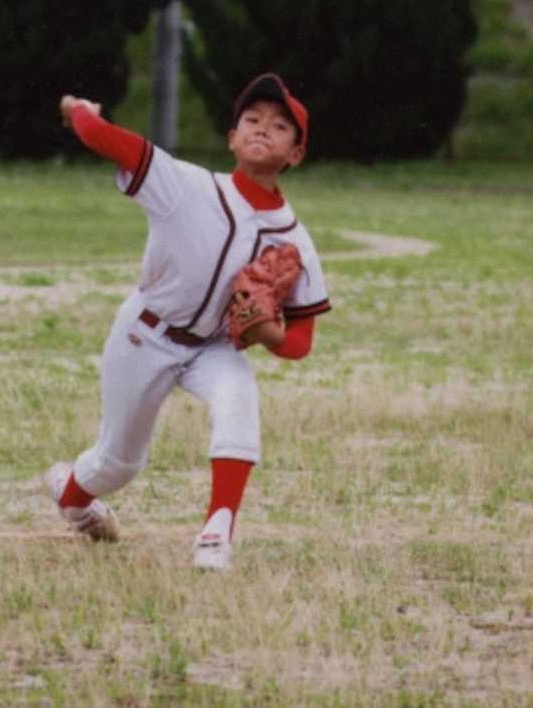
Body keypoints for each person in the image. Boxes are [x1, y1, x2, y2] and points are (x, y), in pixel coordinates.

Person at [46, 73, 331, 570]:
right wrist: (82, 113)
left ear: (296, 154)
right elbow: (107, 139)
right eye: (252, 119)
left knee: (240, 399)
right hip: (146, 334)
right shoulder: (184, 185)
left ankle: (216, 533)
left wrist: (268, 335)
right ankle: (72, 499)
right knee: (117, 463)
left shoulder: (295, 242)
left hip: (215, 347)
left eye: (281, 126)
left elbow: (301, 341)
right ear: (231, 137)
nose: (263, 128)